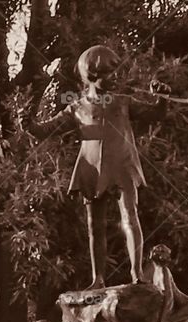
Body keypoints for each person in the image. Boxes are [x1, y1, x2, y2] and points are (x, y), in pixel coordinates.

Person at [30, 45, 169, 289]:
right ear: (93, 75)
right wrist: (27, 123)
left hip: (122, 165)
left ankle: (137, 273)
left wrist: (162, 99)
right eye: (109, 73)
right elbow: (44, 130)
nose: (116, 77)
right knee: (95, 225)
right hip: (91, 168)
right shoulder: (77, 108)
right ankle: (98, 279)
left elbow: (153, 114)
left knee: (130, 216)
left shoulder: (124, 102)